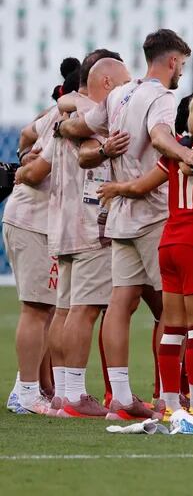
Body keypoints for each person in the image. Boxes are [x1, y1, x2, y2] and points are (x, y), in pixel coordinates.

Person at [59, 29, 193, 421]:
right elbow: (160, 138)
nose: (181, 74)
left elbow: (80, 128)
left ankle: (121, 400)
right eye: (182, 65)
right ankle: (170, 398)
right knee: (171, 310)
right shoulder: (160, 97)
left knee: (119, 306)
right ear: (173, 60)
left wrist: (65, 120)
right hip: (153, 213)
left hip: (119, 214)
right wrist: (184, 154)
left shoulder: (119, 94)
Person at [99, 92, 193, 423]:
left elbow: (139, 187)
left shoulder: (177, 153)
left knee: (173, 328)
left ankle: (170, 404)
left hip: (170, 242)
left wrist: (116, 189)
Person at [27, 52, 129, 417]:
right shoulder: (92, 112)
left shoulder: (62, 111)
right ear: (105, 82)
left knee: (65, 310)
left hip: (61, 220)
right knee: (83, 311)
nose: (125, 92)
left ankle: (60, 394)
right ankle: (73, 395)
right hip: (89, 221)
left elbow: (32, 140)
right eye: (122, 83)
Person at [6, 65, 77, 414]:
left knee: (45, 309)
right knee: (36, 309)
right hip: (33, 221)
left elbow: (24, 132)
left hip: (39, 221)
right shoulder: (70, 118)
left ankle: (32, 388)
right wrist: (24, 166)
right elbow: (34, 173)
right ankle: (26, 392)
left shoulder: (57, 113)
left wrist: (23, 154)